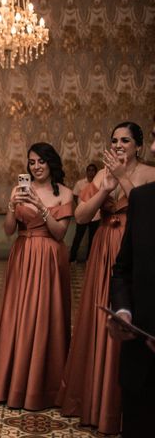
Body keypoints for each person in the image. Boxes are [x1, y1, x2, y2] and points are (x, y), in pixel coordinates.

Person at [57, 121, 155, 434]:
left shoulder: (150, 174)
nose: (118, 145)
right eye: (114, 140)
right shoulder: (102, 174)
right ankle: (94, 401)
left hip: (137, 248)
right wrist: (105, 189)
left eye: (125, 140)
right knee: (101, 323)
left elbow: (146, 215)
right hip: (104, 250)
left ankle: (121, 407)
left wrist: (125, 178)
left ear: (138, 146)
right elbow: (82, 216)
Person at [0, 142, 73, 410]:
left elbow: (60, 233)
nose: (36, 167)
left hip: (50, 257)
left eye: (41, 161)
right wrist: (12, 206)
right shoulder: (18, 190)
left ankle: (42, 386)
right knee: (17, 314)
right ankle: (9, 382)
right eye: (32, 162)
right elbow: (9, 230)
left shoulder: (65, 193)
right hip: (22, 255)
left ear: (51, 163)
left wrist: (41, 207)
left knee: (47, 315)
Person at [108, 118, 155, 438]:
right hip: (140, 350)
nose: (153, 147)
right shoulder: (145, 198)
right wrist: (123, 310)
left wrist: (124, 178)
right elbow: (124, 269)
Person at [69, 163, 100, 262]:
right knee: (78, 237)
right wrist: (80, 206)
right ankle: (72, 259)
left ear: (96, 172)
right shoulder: (80, 183)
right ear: (86, 172)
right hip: (83, 214)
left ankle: (89, 259)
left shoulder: (100, 183)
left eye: (93, 170)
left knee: (93, 238)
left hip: (96, 215)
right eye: (89, 170)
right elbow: (74, 195)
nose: (91, 172)